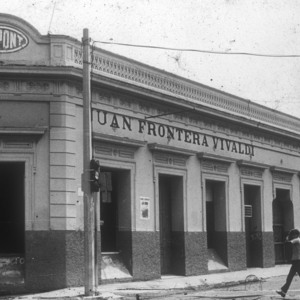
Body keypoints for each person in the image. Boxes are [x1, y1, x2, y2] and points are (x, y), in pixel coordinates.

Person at [276, 229, 300, 297]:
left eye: (293, 234)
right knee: (290, 277)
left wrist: (287, 238)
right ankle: (283, 291)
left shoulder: (297, 239)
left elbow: (288, 243)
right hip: (296, 261)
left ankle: (283, 291)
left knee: (290, 277)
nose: (292, 236)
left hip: (297, 261)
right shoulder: (297, 240)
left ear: (296, 234)